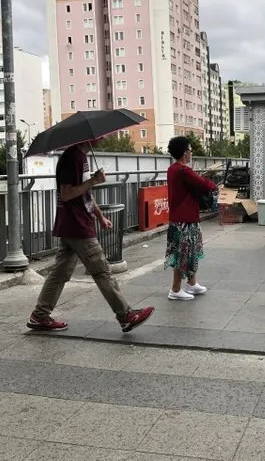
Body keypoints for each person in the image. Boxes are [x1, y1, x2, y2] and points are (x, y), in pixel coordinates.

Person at [27, 141, 154, 332]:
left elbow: (84, 192)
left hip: (74, 224)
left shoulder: (80, 157)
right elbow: (67, 193)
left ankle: (39, 315)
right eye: (101, 135)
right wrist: (93, 181)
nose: (104, 137)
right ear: (88, 137)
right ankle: (125, 315)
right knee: (102, 271)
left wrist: (100, 216)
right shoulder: (73, 158)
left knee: (59, 274)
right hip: (77, 226)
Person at [165, 136, 217, 300]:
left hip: (181, 218)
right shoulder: (183, 170)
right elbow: (203, 183)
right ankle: (175, 289)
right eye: (190, 150)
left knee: (191, 252)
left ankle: (192, 283)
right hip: (184, 220)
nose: (191, 153)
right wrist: (214, 185)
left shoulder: (173, 169)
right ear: (184, 152)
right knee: (183, 254)